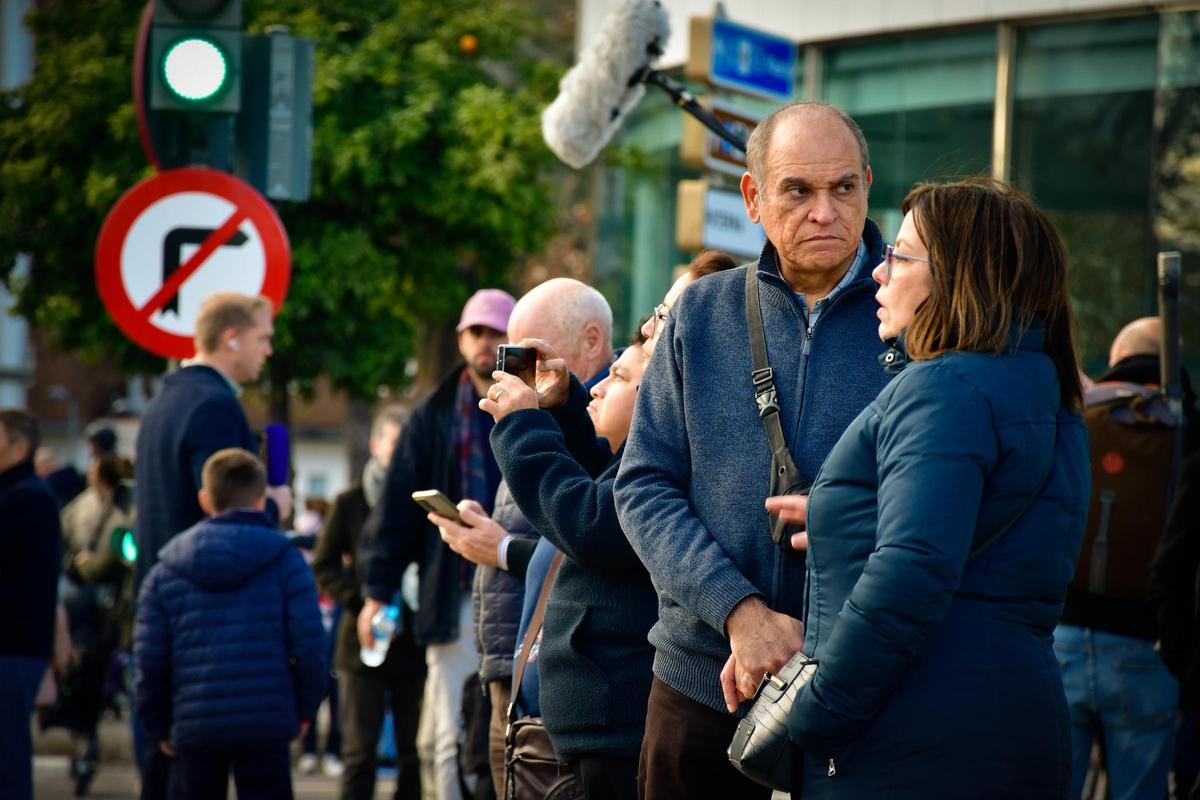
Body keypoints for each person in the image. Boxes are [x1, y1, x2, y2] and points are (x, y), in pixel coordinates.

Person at [761, 178, 1090, 798]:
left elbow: (912, 572)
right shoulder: (1045, 388)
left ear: (958, 276)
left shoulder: (943, 388)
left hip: (913, 737)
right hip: (1009, 721)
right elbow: (989, 536)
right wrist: (851, 513)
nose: (879, 276)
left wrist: (818, 712)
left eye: (899, 256)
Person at [614, 100, 890, 798]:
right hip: (702, 684)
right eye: (799, 190)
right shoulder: (701, 313)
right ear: (754, 198)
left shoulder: (918, 318)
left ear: (867, 184)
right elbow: (643, 487)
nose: (824, 211)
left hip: (864, 691)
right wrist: (739, 612)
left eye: (844, 188)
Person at [430, 278, 616, 795]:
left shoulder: (614, 410)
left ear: (592, 340)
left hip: (565, 694)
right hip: (516, 668)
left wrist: (501, 549)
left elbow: (592, 529)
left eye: (529, 348)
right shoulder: (559, 411)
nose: (509, 367)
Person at [357, 288, 515, 800]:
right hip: (451, 589)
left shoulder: (530, 400)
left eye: (497, 332)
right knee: (442, 737)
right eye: (477, 331)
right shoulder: (434, 414)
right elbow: (398, 512)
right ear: (460, 339)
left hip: (515, 585)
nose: (486, 342)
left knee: (464, 735)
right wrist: (378, 591)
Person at [133, 291, 293, 797]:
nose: (268, 351)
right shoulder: (214, 406)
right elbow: (228, 513)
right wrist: (274, 506)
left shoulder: (164, 399)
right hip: (212, 625)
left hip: (163, 603)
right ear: (232, 339)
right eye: (263, 338)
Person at [1057, 317, 1198, 800]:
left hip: (1062, 637)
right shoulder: (1185, 428)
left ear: (1118, 358)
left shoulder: (1077, 414)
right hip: (1147, 648)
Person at [134, 448, 327, 800]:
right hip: (267, 721)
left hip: (193, 723)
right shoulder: (286, 561)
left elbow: (149, 659)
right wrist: (303, 711)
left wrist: (157, 724)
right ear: (260, 499)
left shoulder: (165, 570)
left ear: (204, 500)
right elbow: (310, 644)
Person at [313, 405, 426, 800]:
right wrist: (360, 601)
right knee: (359, 753)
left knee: (414, 755)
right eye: (394, 444)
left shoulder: (422, 501)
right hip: (361, 644)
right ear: (376, 446)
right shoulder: (348, 503)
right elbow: (323, 565)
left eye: (407, 446)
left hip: (413, 641)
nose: (401, 454)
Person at [55, 452, 135, 793]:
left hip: (86, 605)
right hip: (118, 609)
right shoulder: (133, 507)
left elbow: (69, 545)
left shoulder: (80, 507)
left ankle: (85, 739)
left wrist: (81, 566)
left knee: (86, 673)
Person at [0, 409, 62, 800]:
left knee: (7, 758)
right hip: (16, 644)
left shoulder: (25, 499)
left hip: (11, 645)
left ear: (19, 447)